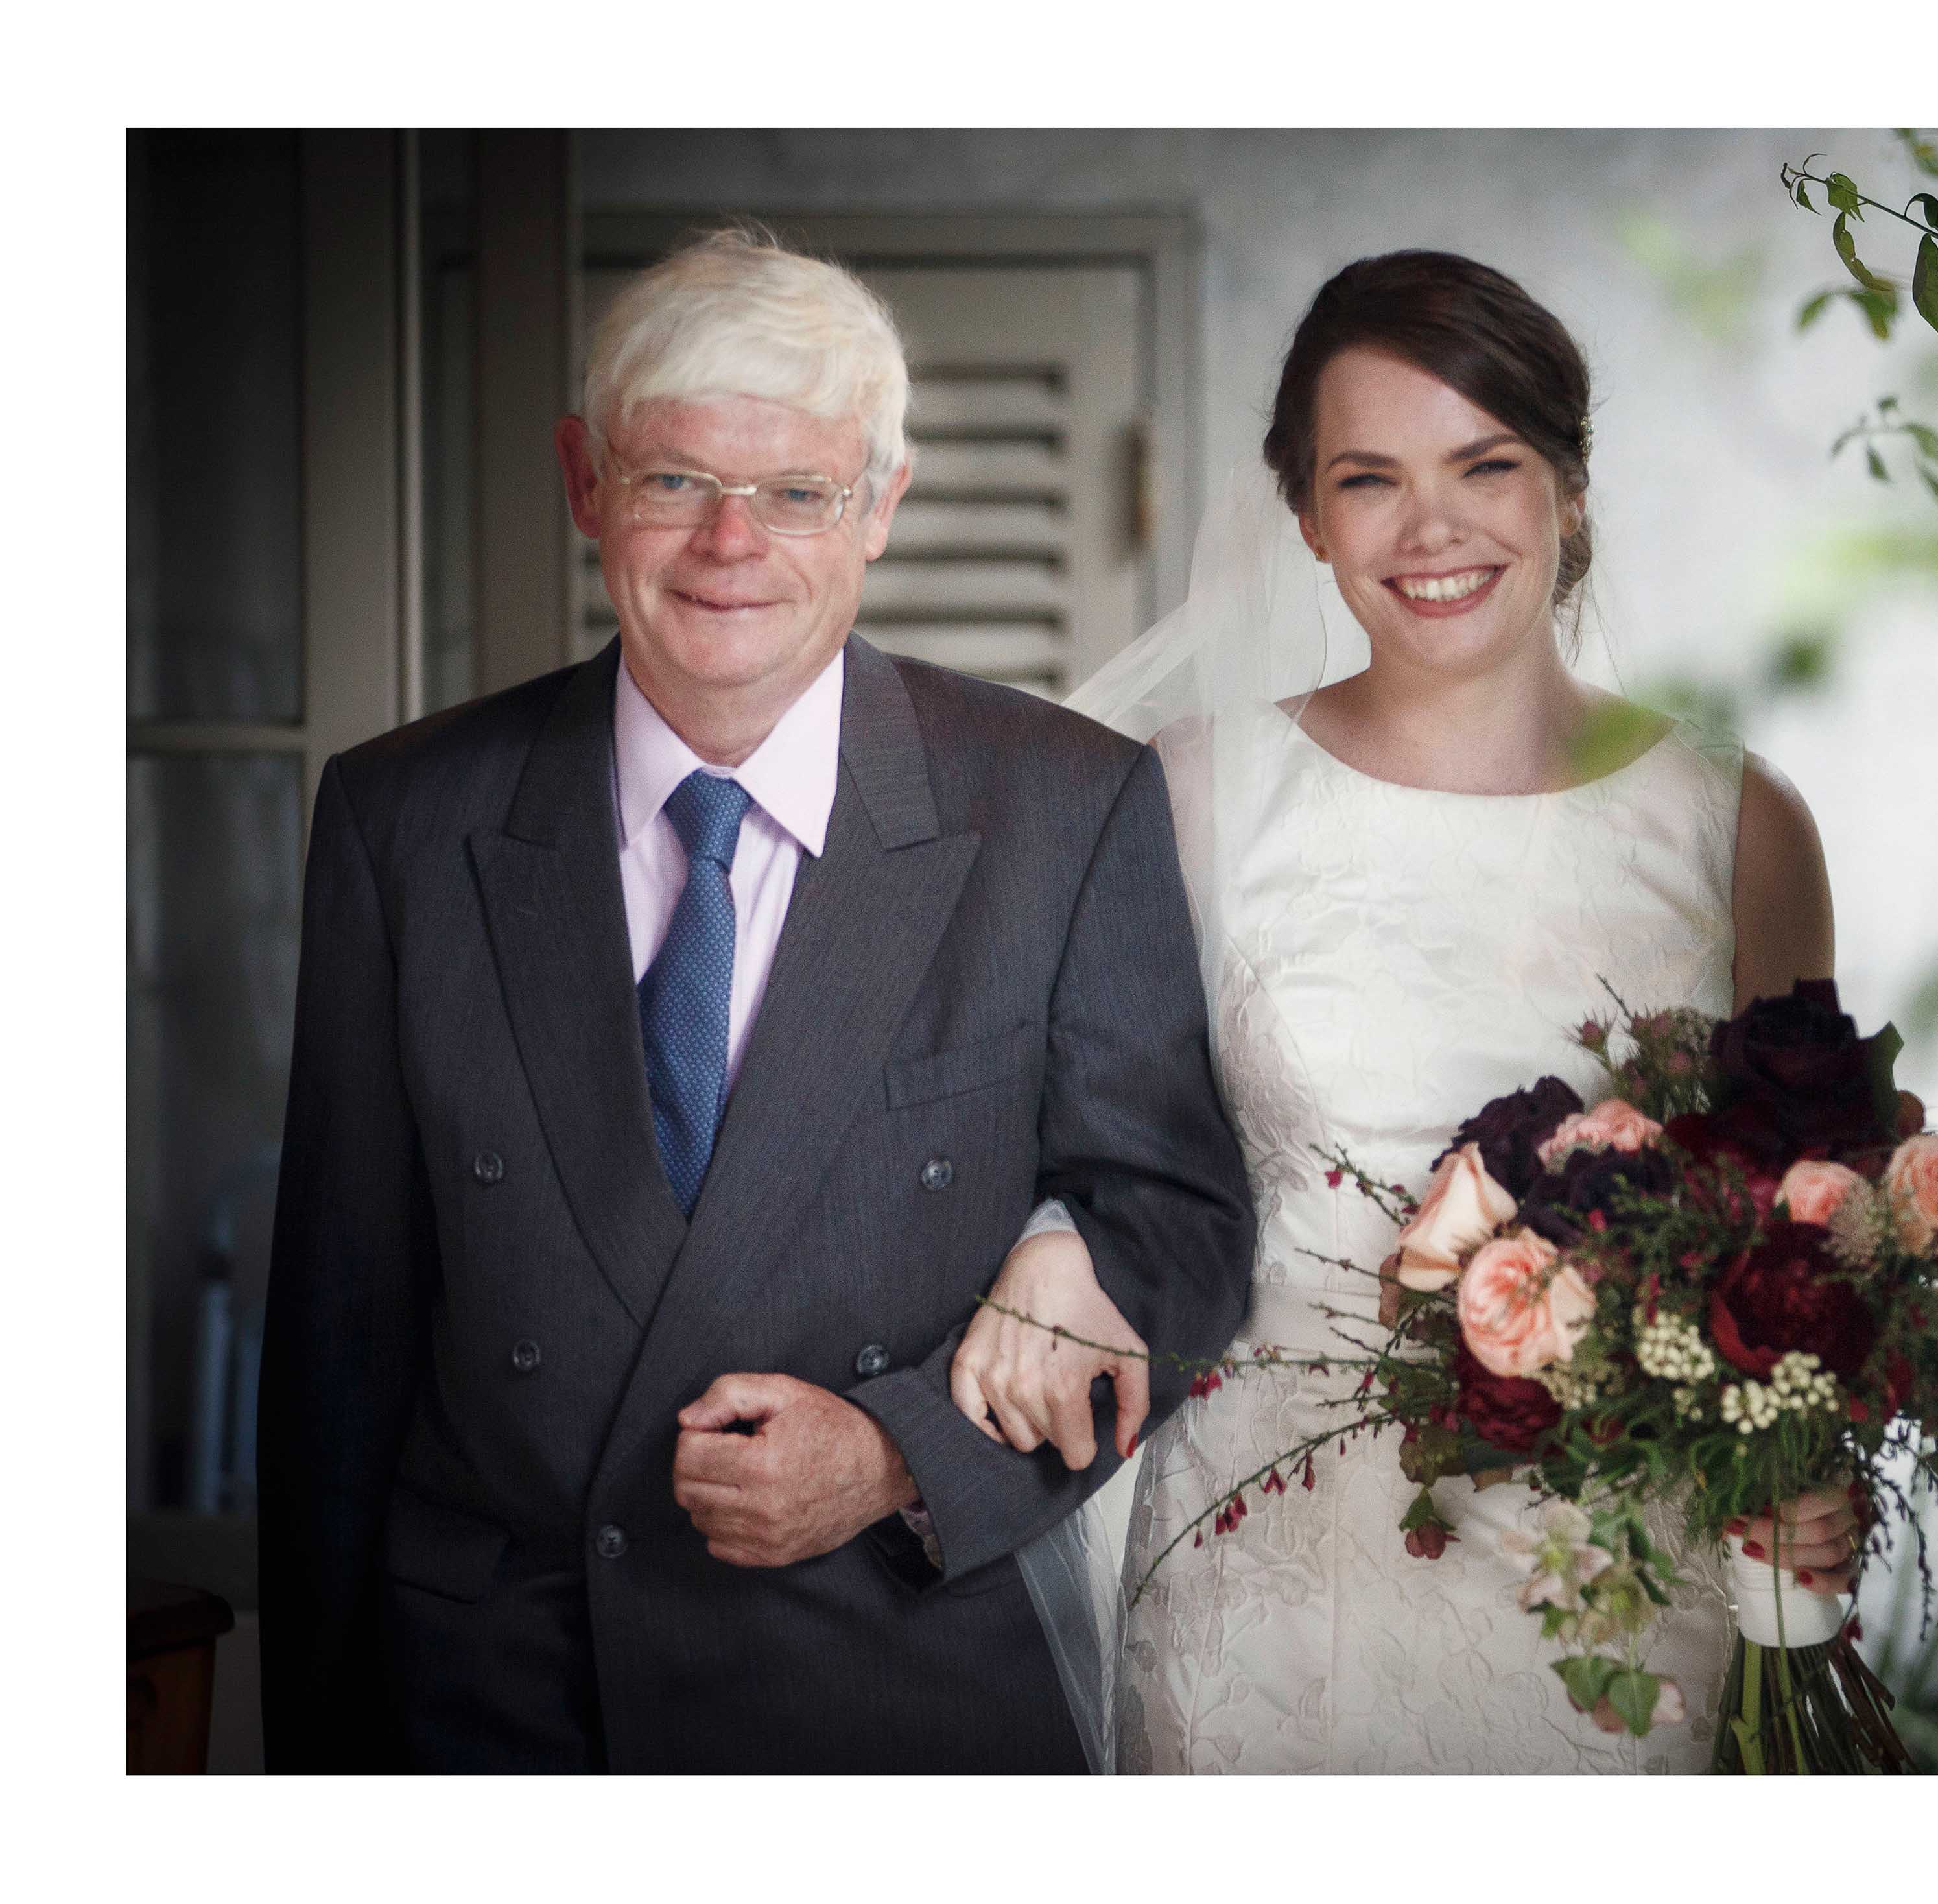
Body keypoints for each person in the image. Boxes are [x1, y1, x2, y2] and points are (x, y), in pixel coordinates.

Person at [257, 229, 1254, 1772]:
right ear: (586, 482)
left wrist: (891, 1455)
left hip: (895, 1690)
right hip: (495, 1712)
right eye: (674, 482)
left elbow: (1177, 1243)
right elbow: (339, 1331)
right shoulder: (403, 817)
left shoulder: (1064, 805)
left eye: (798, 491)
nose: (734, 542)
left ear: (881, 507)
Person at [951, 251, 1858, 1772]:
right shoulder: (1193, 797)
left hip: (1629, 1586)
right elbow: (1080, 1136)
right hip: (1272, 1582)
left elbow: (1815, 1233)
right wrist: (1051, 1232)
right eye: (1369, 478)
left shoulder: (1740, 824)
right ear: (1304, 515)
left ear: (1568, 488)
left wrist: (1808, 1474)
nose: (1431, 527)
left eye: (1485, 464)